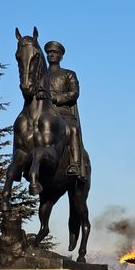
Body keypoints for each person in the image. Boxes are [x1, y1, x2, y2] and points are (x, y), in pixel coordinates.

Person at [44, 41, 85, 178]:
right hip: (43, 112)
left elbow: (74, 93)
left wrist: (56, 98)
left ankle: (75, 164)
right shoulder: (41, 75)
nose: (51, 55)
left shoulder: (69, 74)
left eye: (55, 53)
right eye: (49, 52)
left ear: (61, 56)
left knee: (73, 129)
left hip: (63, 112)